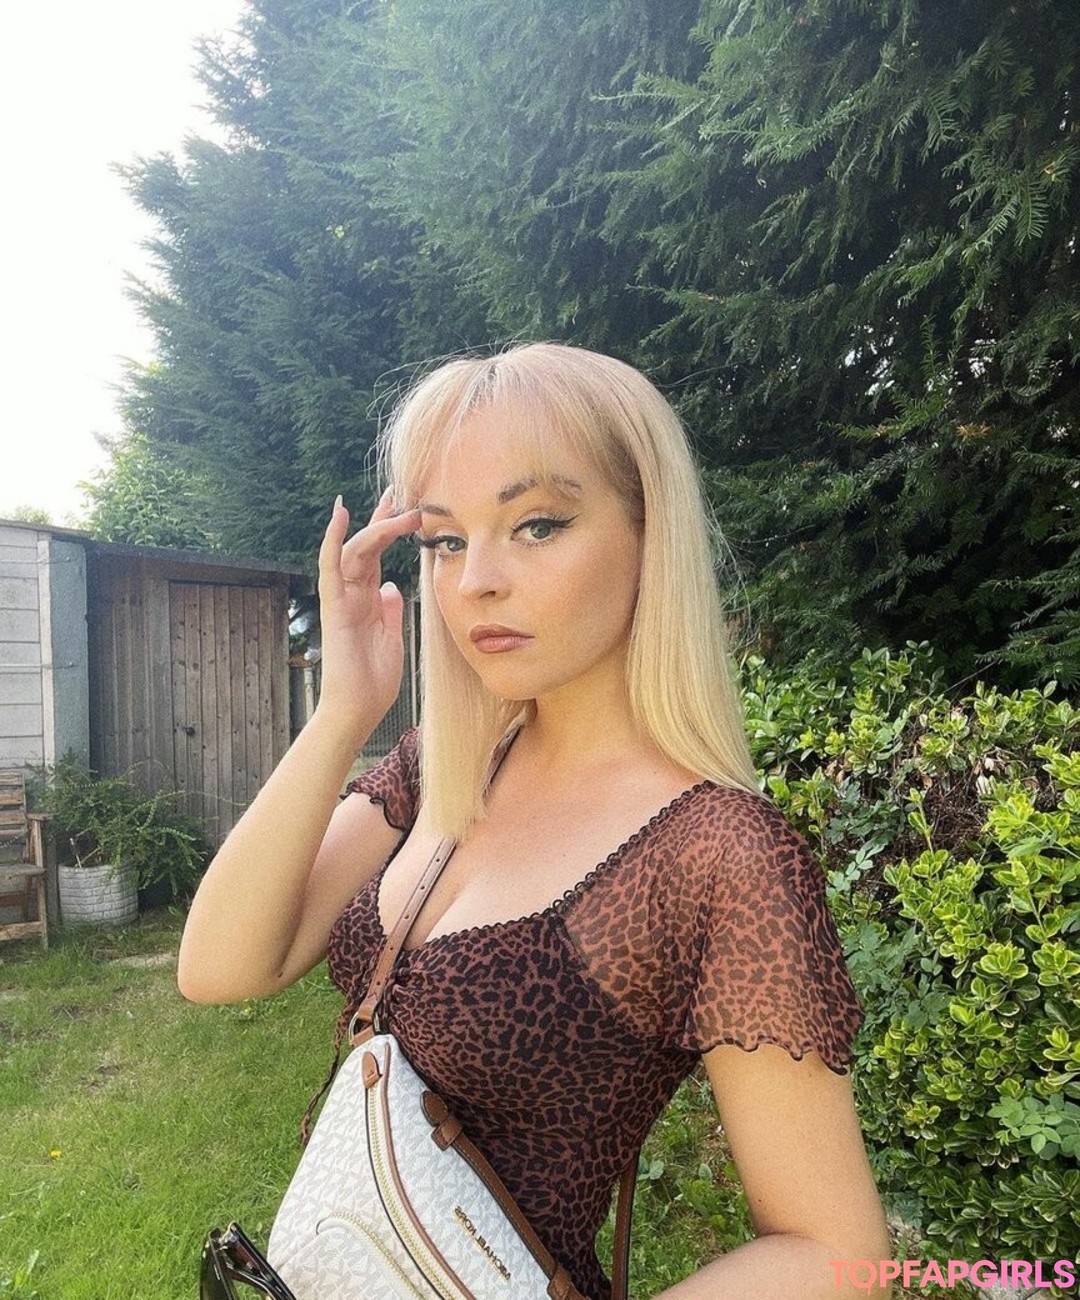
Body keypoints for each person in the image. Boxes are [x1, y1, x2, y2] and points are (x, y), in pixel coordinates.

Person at [178, 342, 892, 1298]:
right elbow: (221, 968)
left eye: (538, 525)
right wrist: (344, 708)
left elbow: (837, 1253)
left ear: (648, 535)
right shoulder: (446, 761)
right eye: (445, 540)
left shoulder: (719, 854)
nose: (476, 580)